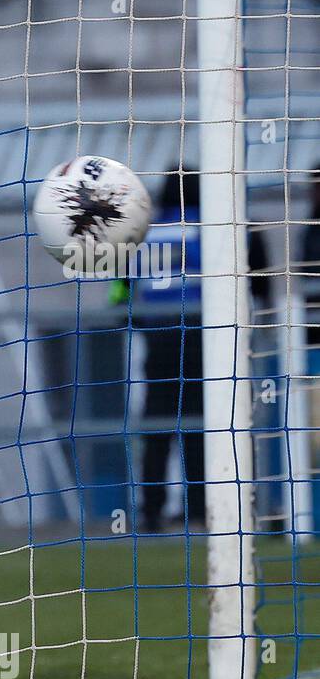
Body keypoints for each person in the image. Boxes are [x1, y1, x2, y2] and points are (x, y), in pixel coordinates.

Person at [115, 170, 267, 533]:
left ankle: (151, 511)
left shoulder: (143, 233)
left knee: (157, 425)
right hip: (202, 336)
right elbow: (255, 265)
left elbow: (120, 292)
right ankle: (199, 507)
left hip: (159, 337)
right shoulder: (211, 228)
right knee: (204, 424)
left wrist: (140, 323)